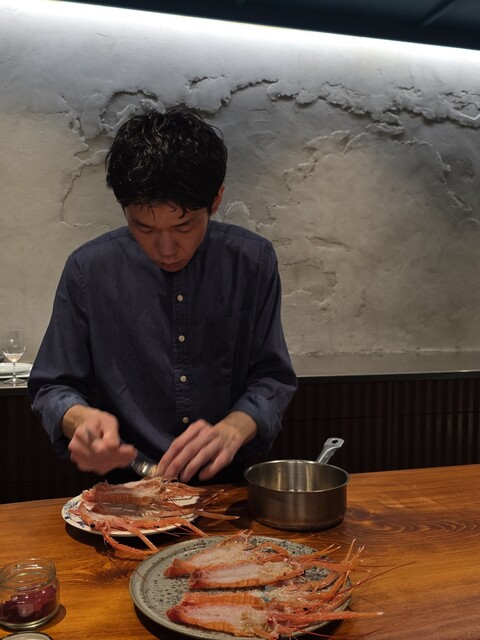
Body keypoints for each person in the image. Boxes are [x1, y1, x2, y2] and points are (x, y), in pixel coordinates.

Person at [28, 107, 297, 485]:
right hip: (126, 489)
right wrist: (80, 420)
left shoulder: (253, 262)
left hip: (228, 486)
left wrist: (234, 428)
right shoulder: (88, 270)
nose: (166, 249)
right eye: (144, 227)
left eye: (184, 226)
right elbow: (53, 385)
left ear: (216, 199)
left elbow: (272, 376)